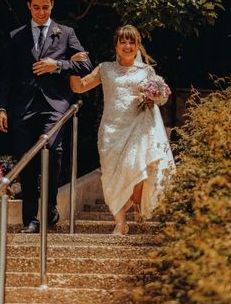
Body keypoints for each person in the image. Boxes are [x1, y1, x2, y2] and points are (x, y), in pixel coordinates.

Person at [0, 0, 92, 233]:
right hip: (23, 107)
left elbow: (86, 65)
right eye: (37, 7)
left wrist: (57, 65)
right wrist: (1, 108)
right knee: (27, 160)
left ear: (52, 5)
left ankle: (49, 206)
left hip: (55, 104)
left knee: (52, 150)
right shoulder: (16, 36)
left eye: (46, 7)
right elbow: (7, 75)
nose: (41, 12)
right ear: (29, 6)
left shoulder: (66, 33)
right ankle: (30, 219)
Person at [69, 25, 175, 235]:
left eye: (131, 42)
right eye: (123, 42)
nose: (127, 46)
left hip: (138, 128)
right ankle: (120, 223)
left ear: (137, 46)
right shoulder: (105, 69)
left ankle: (136, 201)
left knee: (138, 169)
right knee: (111, 176)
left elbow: (161, 97)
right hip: (111, 132)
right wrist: (73, 66)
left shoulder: (146, 71)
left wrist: (154, 98)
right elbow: (79, 86)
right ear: (116, 45)